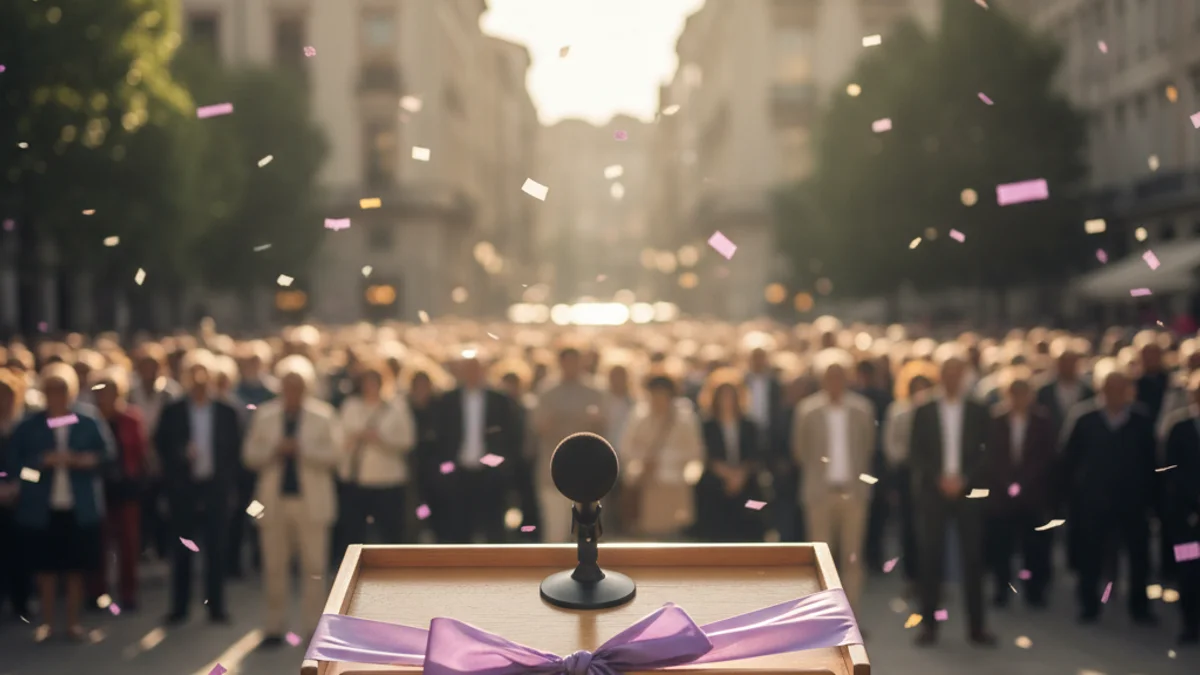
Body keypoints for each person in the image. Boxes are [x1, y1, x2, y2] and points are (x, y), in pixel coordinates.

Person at [244, 355, 342, 645]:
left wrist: (303, 449)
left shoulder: (323, 415)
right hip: (272, 503)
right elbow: (249, 456)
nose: (292, 391)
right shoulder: (264, 414)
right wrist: (275, 450)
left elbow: (336, 456)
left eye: (297, 386)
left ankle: (314, 628)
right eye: (287, 385)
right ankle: (274, 626)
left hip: (311, 502)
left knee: (314, 567)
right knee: (274, 566)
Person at [8, 364, 107, 641]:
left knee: (76, 568)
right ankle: (49, 622)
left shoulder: (87, 421)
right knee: (46, 568)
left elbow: (107, 458)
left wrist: (87, 461)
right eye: (51, 391)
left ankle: (73, 622)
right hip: (42, 508)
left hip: (79, 507)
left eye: (62, 390)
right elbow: (18, 471)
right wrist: (41, 464)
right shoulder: (29, 426)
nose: (57, 396)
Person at [1059, 359, 1157, 625]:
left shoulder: (1140, 419)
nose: (1114, 393)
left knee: (1139, 558)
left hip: (1132, 502)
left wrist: (1152, 501)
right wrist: (1069, 499)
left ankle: (1140, 607)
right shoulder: (1084, 418)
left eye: (1120, 387)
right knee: (1090, 556)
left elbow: (1152, 462)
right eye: (1109, 387)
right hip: (1093, 502)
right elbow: (1068, 461)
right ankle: (1089, 606)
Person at [909, 352, 995, 647]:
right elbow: (916, 452)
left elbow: (987, 450)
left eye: (959, 372)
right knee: (930, 558)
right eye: (948, 372)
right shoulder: (924, 409)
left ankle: (976, 627)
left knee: (973, 559)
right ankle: (929, 626)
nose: (953, 378)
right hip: (934, 492)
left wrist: (965, 478)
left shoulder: (978, 409)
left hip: (967, 491)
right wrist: (939, 477)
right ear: (940, 375)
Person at [155, 350, 243, 625]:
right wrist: (181, 453)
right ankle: (179, 607)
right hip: (184, 488)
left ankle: (216, 607)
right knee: (182, 548)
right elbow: (161, 445)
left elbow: (235, 452)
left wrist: (229, 487)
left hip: (215, 487)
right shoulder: (174, 410)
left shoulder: (227, 411)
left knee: (216, 548)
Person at [792, 349, 877, 611]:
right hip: (820, 494)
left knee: (852, 559)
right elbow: (800, 450)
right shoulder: (807, 410)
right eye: (830, 376)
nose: (835, 382)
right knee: (820, 561)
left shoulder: (862, 409)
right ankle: (822, 616)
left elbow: (868, 448)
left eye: (840, 375)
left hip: (853, 494)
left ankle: (851, 617)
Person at [983, 368, 1055, 608]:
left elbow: (1046, 457)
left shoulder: (1043, 420)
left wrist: (1024, 483)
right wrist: (1007, 483)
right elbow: (990, 457)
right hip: (1001, 496)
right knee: (1001, 545)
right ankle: (1001, 589)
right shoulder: (994, 419)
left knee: (1034, 547)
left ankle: (1034, 591)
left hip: (1033, 494)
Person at [431, 354, 522, 543]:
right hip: (458, 472)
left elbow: (511, 437)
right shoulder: (448, 400)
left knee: (493, 529)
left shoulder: (499, 400)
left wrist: (501, 466)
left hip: (490, 473)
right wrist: (445, 470)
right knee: (458, 529)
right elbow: (440, 439)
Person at [338, 364, 415, 551]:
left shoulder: (397, 407)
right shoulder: (351, 406)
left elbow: (408, 440)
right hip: (359, 478)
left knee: (391, 533)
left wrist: (381, 439)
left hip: (388, 480)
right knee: (356, 533)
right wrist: (357, 437)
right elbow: (339, 438)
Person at [88, 369, 147, 612]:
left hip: (125, 489)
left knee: (128, 543)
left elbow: (140, 453)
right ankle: (96, 592)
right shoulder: (89, 419)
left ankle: (128, 593)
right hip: (96, 487)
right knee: (98, 543)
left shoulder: (131, 418)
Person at [533, 348, 605, 542]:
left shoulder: (595, 391)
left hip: (587, 471)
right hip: (553, 470)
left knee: (588, 530)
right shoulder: (547, 391)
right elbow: (538, 426)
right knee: (555, 530)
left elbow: (604, 425)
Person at [618, 376, 703, 540]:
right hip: (648, 486)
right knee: (647, 536)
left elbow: (694, 453)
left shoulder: (685, 419)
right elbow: (626, 448)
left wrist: (669, 463)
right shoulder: (639, 417)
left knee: (674, 535)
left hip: (675, 485)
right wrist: (642, 463)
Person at [884, 365, 937, 596]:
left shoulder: (935, 410)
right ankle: (912, 577)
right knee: (909, 527)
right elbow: (891, 443)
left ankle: (934, 579)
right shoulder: (898, 410)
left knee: (932, 527)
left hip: (930, 473)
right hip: (906, 472)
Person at [128, 344, 183, 561]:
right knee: (143, 506)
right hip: (138, 456)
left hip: (165, 456)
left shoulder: (171, 392)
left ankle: (164, 547)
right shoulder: (131, 392)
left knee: (165, 505)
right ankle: (143, 547)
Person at [696, 376, 764, 542]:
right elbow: (705, 455)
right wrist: (725, 473)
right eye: (722, 396)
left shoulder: (750, 425)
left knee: (754, 514)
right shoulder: (705, 425)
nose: (727, 400)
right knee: (717, 533)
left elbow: (756, 454)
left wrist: (741, 474)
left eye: (731, 396)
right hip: (715, 490)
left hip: (747, 489)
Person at [1161, 370, 1200, 644]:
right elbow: (1169, 472)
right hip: (1187, 520)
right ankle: (1190, 624)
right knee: (1188, 572)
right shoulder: (1179, 427)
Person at [855, 359, 893, 573]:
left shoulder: (878, 398)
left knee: (875, 512)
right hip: (873, 464)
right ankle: (872, 558)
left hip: (872, 464)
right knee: (875, 513)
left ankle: (871, 557)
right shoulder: (882, 397)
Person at [0, 370, 31, 621]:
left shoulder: (27, 426)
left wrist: (20, 484)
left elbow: (37, 464)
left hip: (23, 499)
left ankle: (22, 602)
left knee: (21, 552)